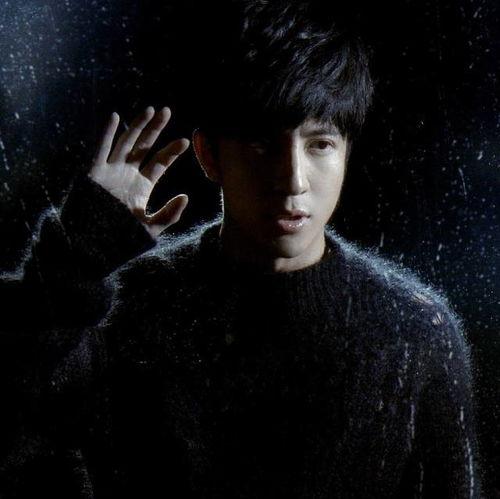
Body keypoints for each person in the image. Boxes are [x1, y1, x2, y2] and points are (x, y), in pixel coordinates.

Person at [0, 1, 483, 497]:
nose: (292, 181)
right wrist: (70, 267)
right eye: (261, 144)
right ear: (210, 155)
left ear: (346, 153)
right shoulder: (123, 311)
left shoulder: (416, 333)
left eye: (319, 144)